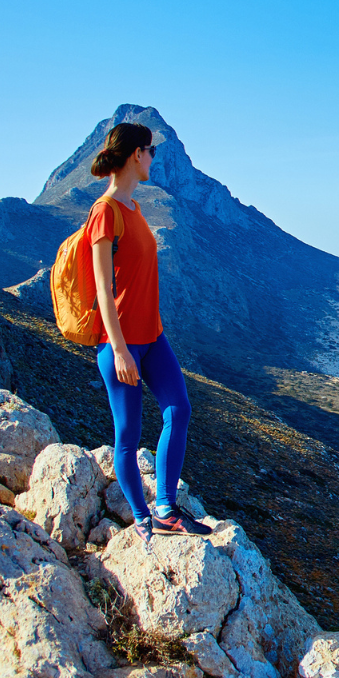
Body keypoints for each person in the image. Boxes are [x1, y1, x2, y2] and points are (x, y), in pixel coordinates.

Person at [87, 123, 210, 545]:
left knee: (179, 410)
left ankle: (166, 509)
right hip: (121, 344)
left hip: (153, 337)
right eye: (151, 151)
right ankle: (143, 518)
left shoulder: (136, 210)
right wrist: (120, 350)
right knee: (128, 436)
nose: (154, 159)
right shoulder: (105, 212)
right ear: (137, 154)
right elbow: (102, 287)